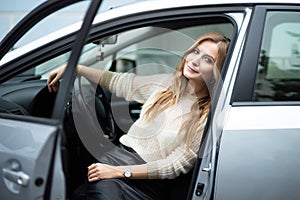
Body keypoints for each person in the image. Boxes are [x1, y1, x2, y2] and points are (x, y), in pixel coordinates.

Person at [47, 32, 230, 199]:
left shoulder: (206, 116)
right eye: (195, 51)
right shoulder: (166, 85)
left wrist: (120, 172)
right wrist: (76, 68)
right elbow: (119, 82)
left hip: (145, 180)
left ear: (216, 72)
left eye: (207, 59)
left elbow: (173, 165)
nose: (195, 60)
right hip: (117, 157)